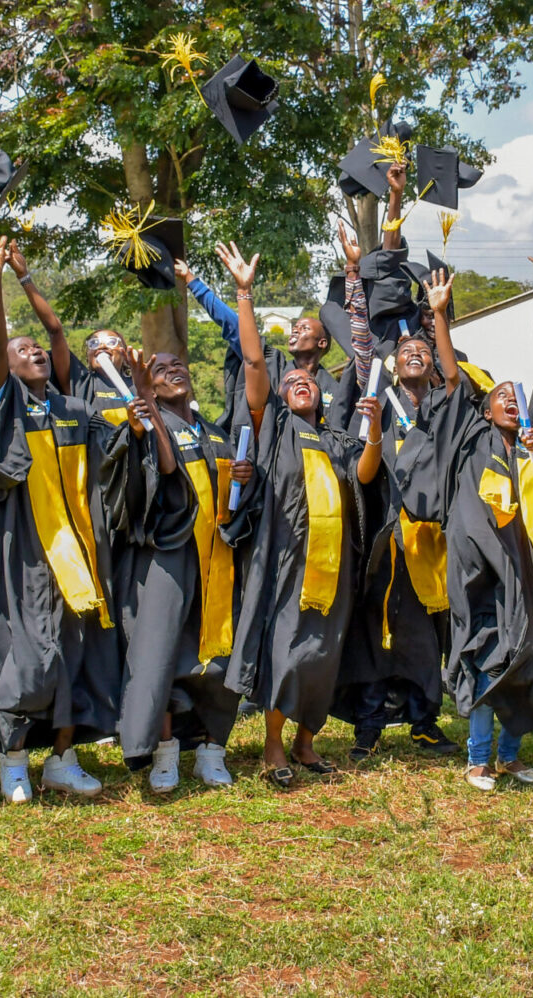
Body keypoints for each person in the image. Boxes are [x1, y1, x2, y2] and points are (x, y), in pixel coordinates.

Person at [0, 228, 142, 803]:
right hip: (24, 546)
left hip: (82, 548)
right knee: (24, 650)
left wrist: (130, 426)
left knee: (78, 649)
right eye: (21, 348)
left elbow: (108, 463)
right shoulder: (0, 401)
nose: (32, 351)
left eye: (38, 349)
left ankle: (61, 756)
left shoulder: (75, 408)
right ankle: (12, 760)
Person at [217, 240, 384, 786]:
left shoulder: (335, 437)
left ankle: (307, 743)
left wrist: (376, 434)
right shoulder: (273, 429)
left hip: (334, 563)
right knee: (287, 647)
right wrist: (244, 294)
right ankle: (272, 747)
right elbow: (255, 362)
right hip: (287, 558)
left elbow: (363, 475)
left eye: (307, 381)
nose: (301, 384)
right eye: (292, 383)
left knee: (324, 650)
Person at [333, 239, 461, 761]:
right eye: (404, 351)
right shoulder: (378, 398)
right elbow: (363, 341)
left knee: (426, 635)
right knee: (372, 632)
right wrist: (352, 271)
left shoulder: (443, 409)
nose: (412, 352)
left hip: (430, 539)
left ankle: (425, 723)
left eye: (422, 352)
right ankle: (368, 728)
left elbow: (452, 371)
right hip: (382, 534)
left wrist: (438, 317)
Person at [122, 346, 252, 791]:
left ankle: (213, 749)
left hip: (219, 560)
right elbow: (164, 468)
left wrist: (244, 480)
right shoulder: (147, 425)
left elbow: (238, 506)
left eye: (179, 364)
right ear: (150, 385)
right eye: (160, 368)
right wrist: (148, 407)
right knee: (162, 655)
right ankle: (165, 753)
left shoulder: (215, 433)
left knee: (220, 654)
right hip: (172, 558)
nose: (173, 370)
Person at [425, 379, 533, 791]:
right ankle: (478, 759)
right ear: (485, 413)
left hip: (526, 574)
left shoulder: (527, 451)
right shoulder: (473, 449)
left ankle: (509, 755)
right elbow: (469, 517)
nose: (508, 401)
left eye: (514, 396)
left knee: (524, 664)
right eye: (499, 397)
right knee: (486, 662)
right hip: (483, 577)